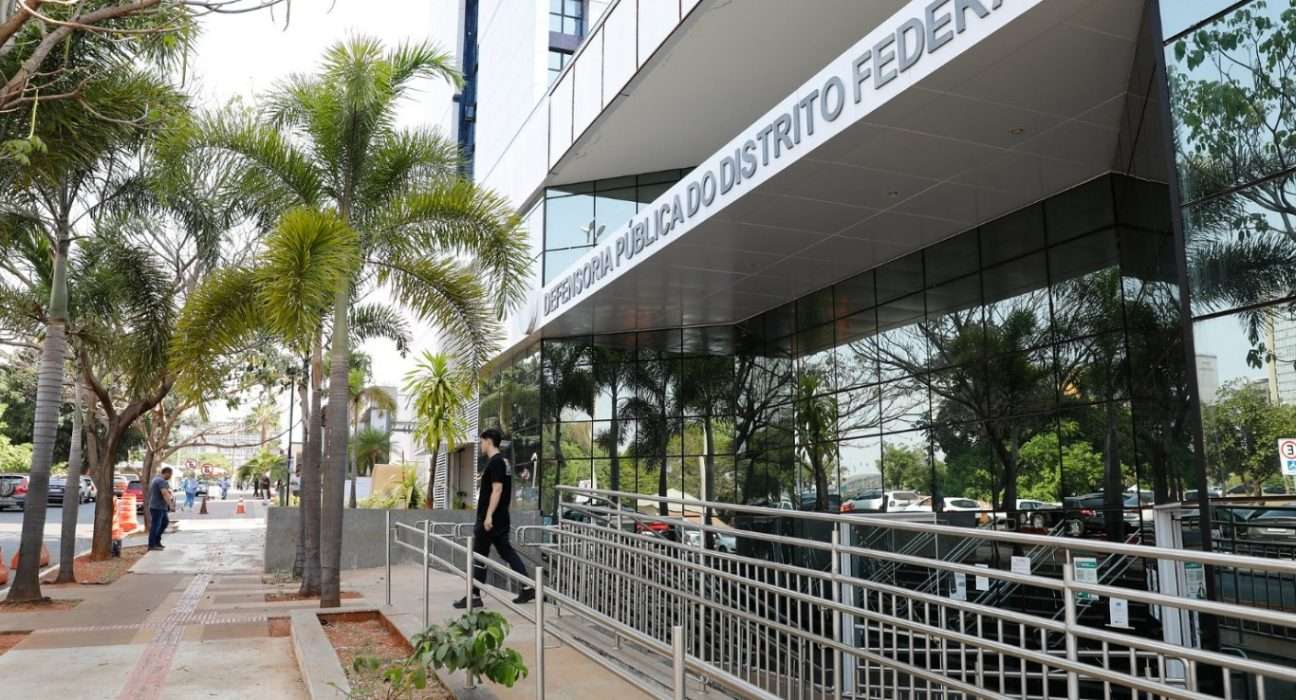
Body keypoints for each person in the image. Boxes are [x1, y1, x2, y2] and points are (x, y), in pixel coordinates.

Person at [454, 428, 534, 609]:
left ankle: (475, 595)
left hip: (490, 519)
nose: (480, 445)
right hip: (501, 517)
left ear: (489, 441)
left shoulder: (496, 462)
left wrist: (488, 515)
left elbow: (497, 490)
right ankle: (527, 587)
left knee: (479, 555)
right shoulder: (503, 462)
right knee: (506, 552)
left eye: (482, 441)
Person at [148, 467, 175, 551]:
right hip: (157, 507)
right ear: (166, 473)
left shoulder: (156, 479)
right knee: (156, 526)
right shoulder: (161, 481)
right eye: (170, 474)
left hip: (159, 507)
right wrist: (170, 505)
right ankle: (152, 545)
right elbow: (164, 493)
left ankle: (157, 541)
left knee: (164, 523)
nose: (170, 476)